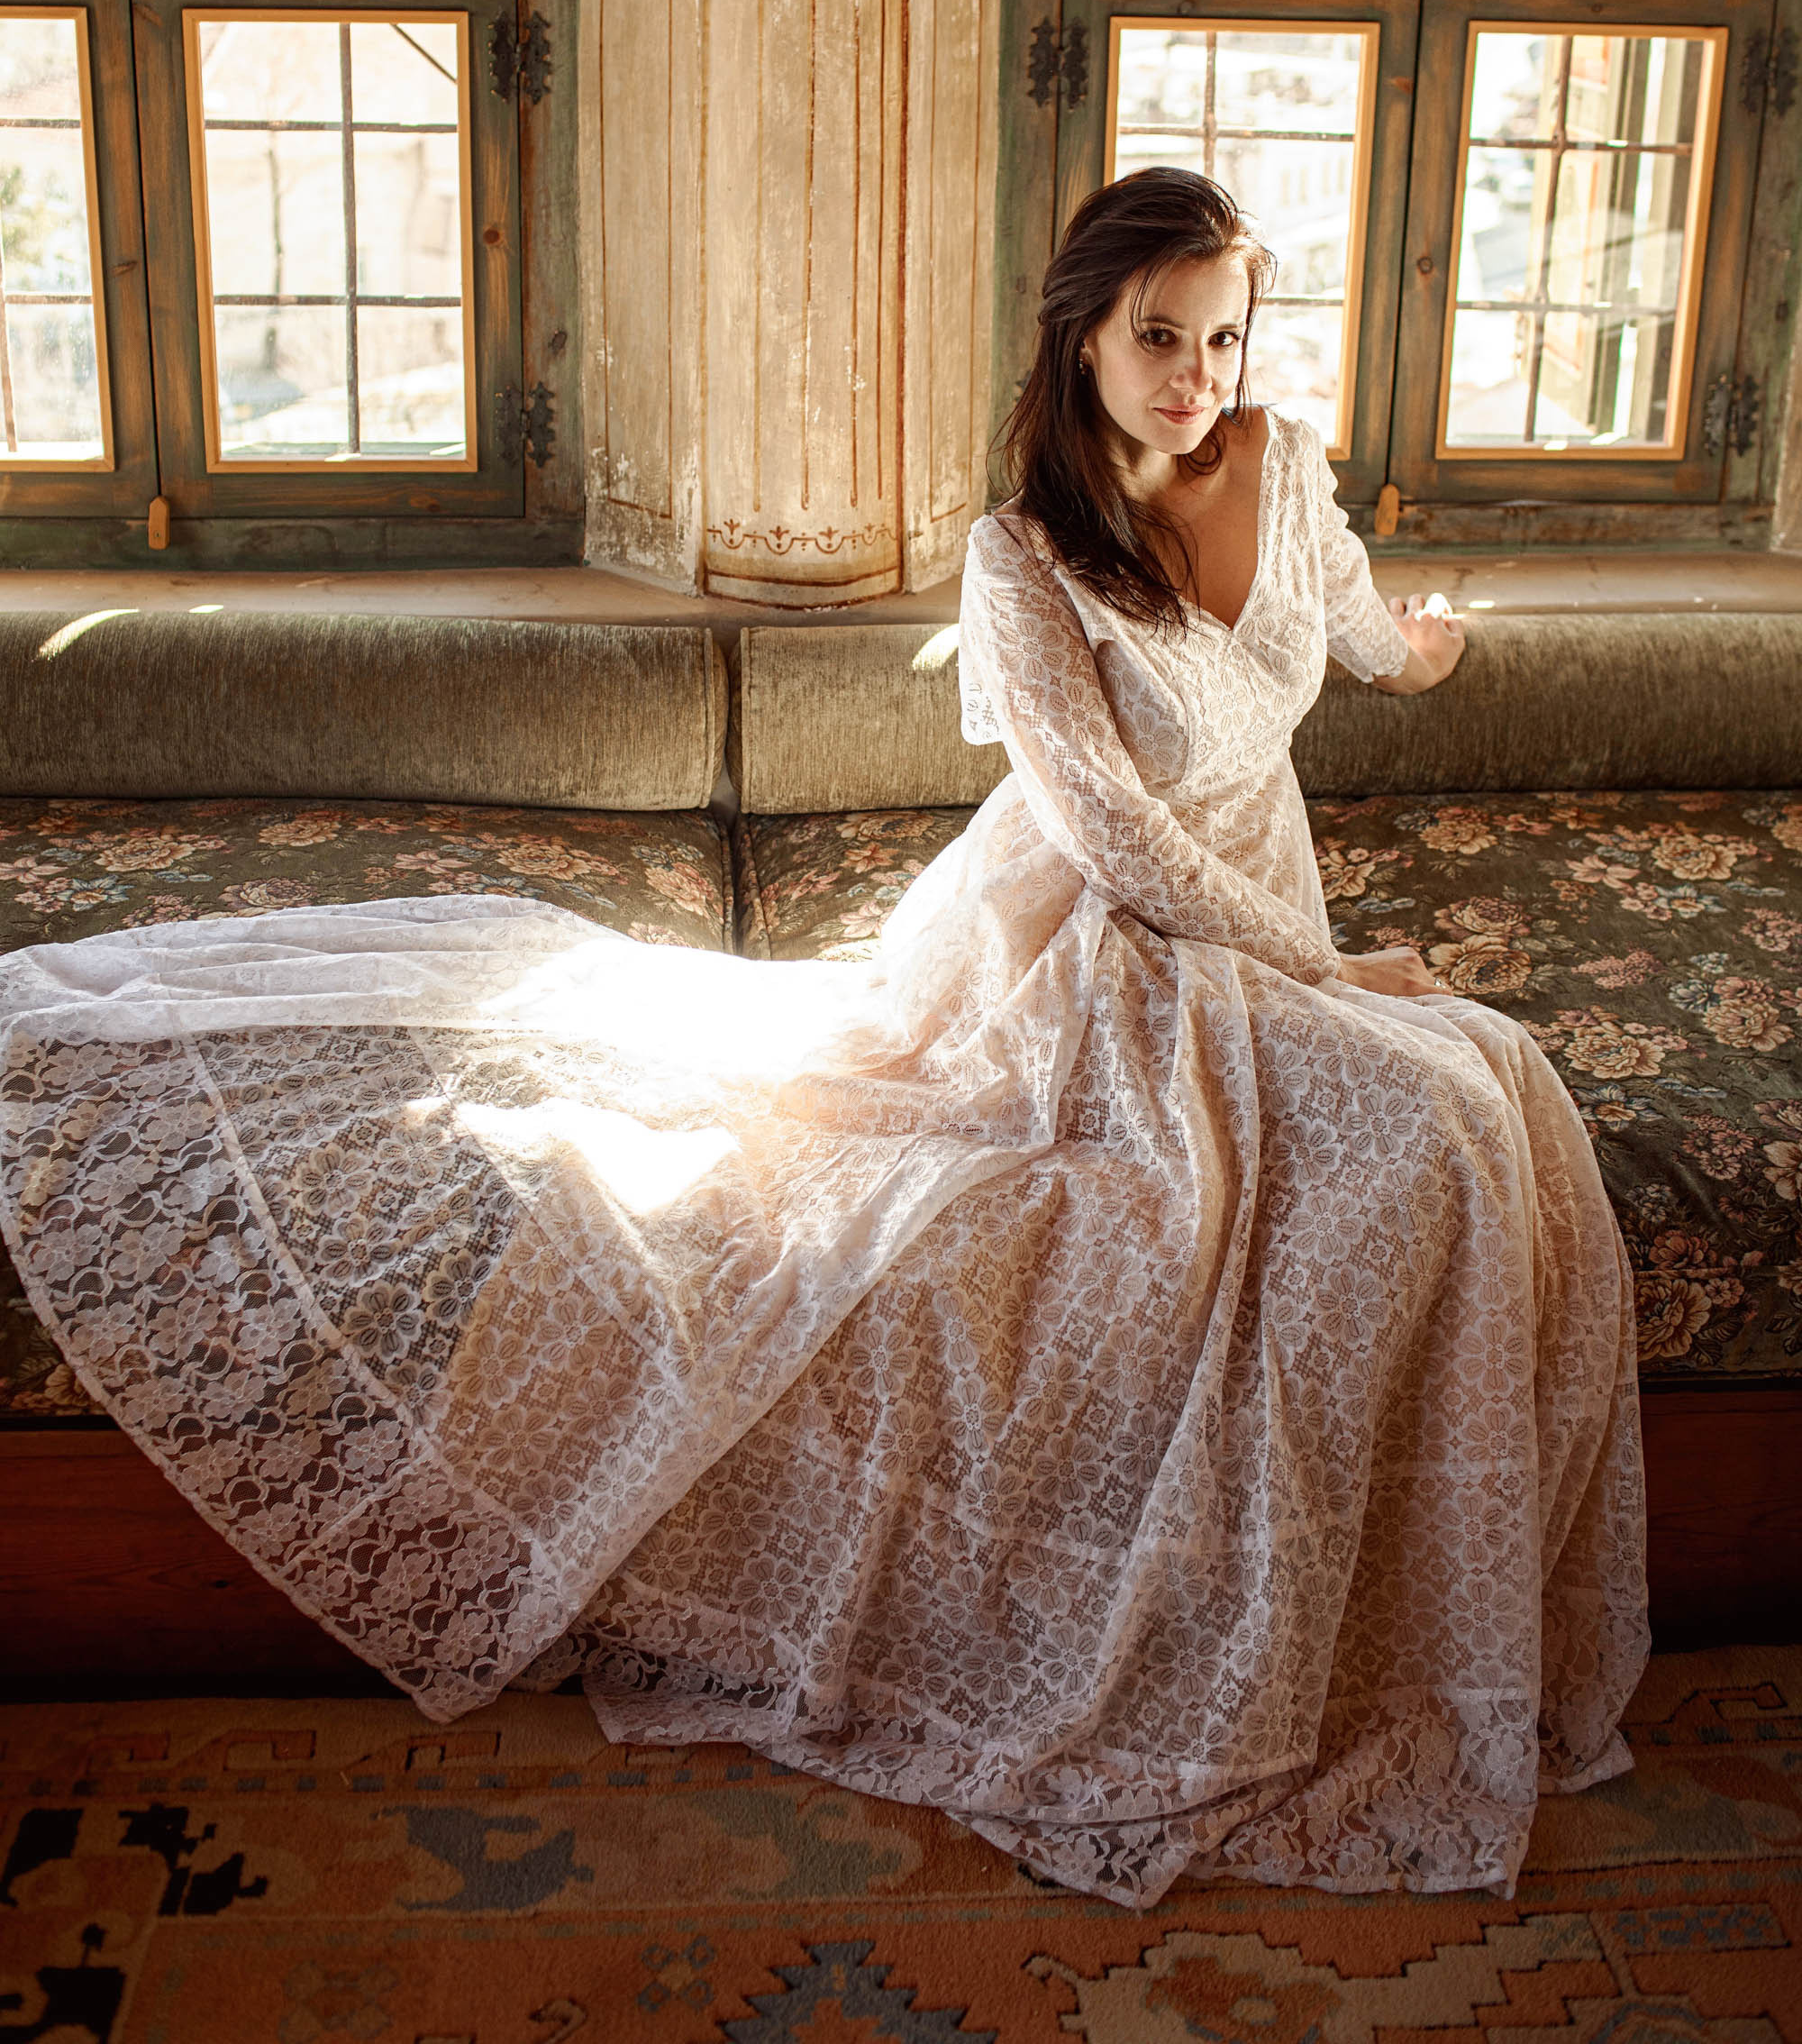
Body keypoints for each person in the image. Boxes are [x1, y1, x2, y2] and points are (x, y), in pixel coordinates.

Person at [0, 169, 1645, 1912]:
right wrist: (1327, 968)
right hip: (1095, 946)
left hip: (1263, 929)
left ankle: (1399, 1636)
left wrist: (1436, 650)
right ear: (1082, 335)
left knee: (1486, 1103)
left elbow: (1365, 636)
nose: (1195, 377)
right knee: (1423, 1117)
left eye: (1222, 337)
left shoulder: (1285, 465)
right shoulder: (1022, 556)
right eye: (1158, 336)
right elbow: (1109, 836)